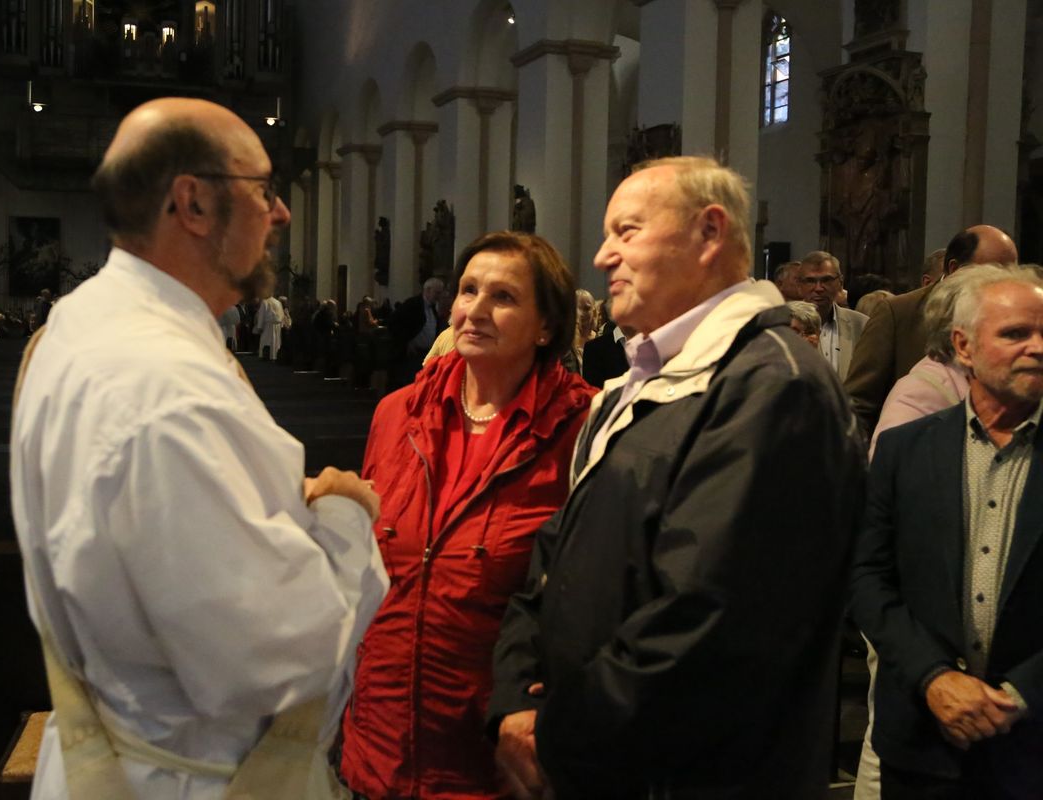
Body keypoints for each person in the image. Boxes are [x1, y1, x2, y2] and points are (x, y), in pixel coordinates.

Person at [10, 97, 388, 800]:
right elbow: (270, 661)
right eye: (264, 190)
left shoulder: (83, 319)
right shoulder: (165, 386)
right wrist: (343, 516)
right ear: (191, 203)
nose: (282, 215)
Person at [487, 156, 865, 799]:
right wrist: (514, 696)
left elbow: (707, 624)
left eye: (626, 231)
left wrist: (556, 736)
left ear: (710, 233)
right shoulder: (640, 381)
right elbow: (557, 552)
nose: (603, 257)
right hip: (603, 756)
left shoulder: (774, 387)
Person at [340, 231, 596, 799]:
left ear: (547, 326)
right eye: (468, 290)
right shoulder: (396, 415)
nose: (474, 310)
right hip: (380, 746)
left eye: (503, 297)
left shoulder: (584, 426)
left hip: (497, 756)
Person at [850, 265, 1043, 799]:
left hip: (1032, 744)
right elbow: (867, 576)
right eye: (1015, 334)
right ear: (964, 346)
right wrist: (933, 676)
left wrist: (1020, 695)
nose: (1037, 347)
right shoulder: (906, 449)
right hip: (922, 735)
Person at [845, 225, 1018, 438]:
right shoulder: (899, 312)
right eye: (995, 272)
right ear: (955, 269)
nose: (1006, 283)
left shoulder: (1010, 316)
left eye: (1012, 273)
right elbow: (858, 403)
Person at [799, 250, 868, 379]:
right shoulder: (786, 325)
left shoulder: (861, 325)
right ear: (800, 285)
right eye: (810, 281)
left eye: (826, 280)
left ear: (840, 283)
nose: (818, 288)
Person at [389, 277, 446, 388]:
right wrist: (407, 342)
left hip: (426, 354)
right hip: (412, 355)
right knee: (412, 384)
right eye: (437, 293)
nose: (439, 297)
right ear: (428, 290)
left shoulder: (433, 308)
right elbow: (394, 323)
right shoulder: (412, 304)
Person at [252, 273, 286, 360]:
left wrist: (259, 327)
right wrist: (281, 325)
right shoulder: (278, 302)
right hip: (277, 326)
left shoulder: (265, 302)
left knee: (267, 341)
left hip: (267, 326)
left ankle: (266, 356)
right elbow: (282, 315)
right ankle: (274, 355)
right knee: (276, 343)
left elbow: (262, 315)